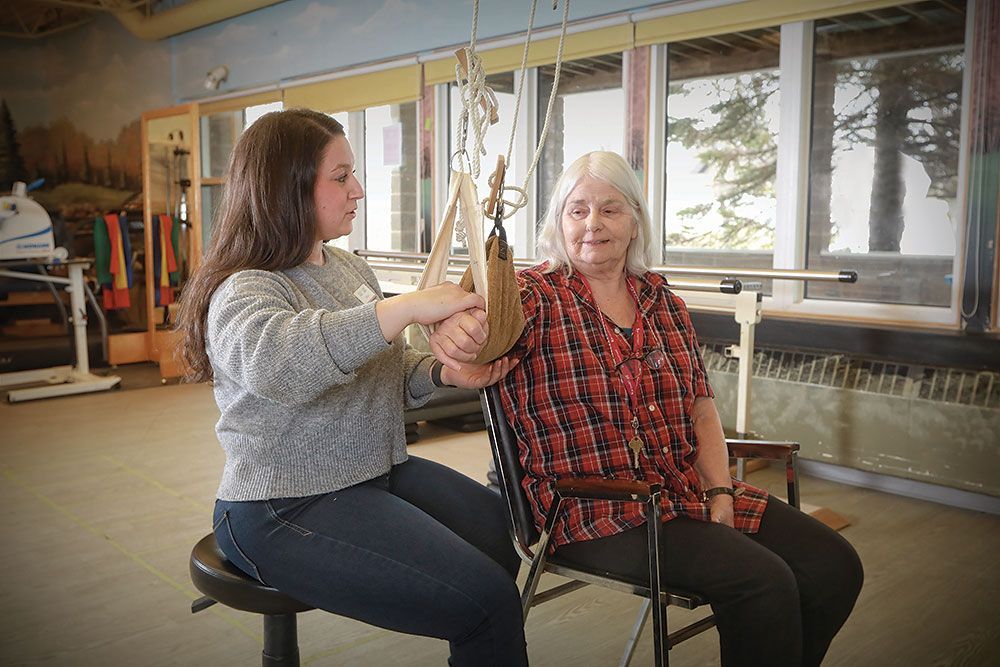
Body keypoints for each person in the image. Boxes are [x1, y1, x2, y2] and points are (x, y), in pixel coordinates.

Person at [178, 108, 527, 666]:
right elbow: (280, 364)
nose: (357, 189)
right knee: (486, 603)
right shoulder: (244, 289)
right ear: (285, 189)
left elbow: (381, 370)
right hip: (282, 502)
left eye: (354, 173)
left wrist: (443, 373)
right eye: (340, 177)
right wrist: (408, 306)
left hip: (372, 472)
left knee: (498, 533)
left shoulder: (350, 270)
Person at [498, 151, 863, 666]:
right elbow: (476, 333)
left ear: (636, 221)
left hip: (681, 490)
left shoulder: (660, 299)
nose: (593, 223)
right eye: (577, 209)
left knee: (834, 565)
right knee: (762, 581)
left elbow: (699, 406)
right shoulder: (531, 295)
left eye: (610, 209)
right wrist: (455, 325)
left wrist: (720, 493)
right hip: (592, 508)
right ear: (558, 220)